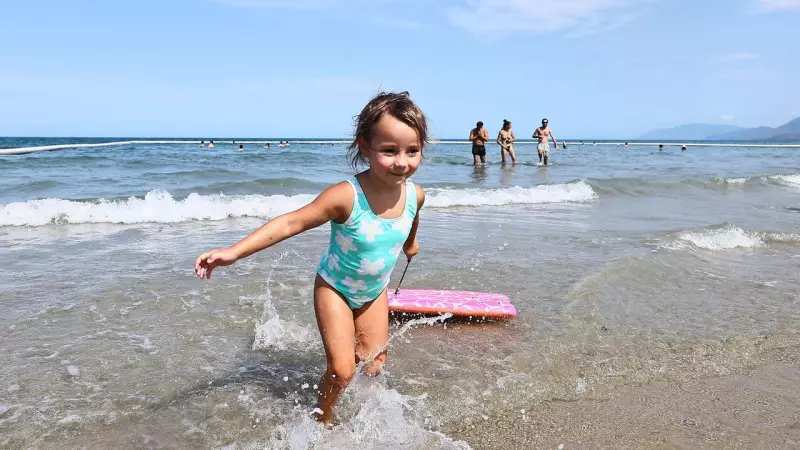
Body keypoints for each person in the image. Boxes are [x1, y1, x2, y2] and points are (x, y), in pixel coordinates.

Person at [194, 91, 427, 425]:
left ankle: (363, 417)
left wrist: (411, 243)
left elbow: (413, 215)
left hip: (375, 291)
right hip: (335, 289)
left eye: (412, 151)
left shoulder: (415, 194)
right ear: (365, 147)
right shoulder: (346, 196)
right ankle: (323, 420)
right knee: (342, 369)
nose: (402, 162)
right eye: (389, 151)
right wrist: (233, 253)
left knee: (375, 364)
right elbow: (291, 222)